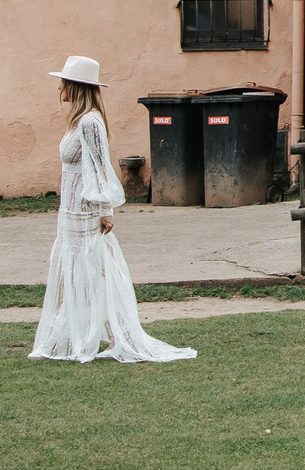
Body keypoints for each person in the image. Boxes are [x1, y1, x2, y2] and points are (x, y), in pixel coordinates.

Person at [29, 55, 197, 365]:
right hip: (70, 210)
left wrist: (105, 209)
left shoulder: (90, 122)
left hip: (86, 211)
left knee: (96, 271)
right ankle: (71, 334)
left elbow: (100, 167)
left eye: (64, 83)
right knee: (72, 270)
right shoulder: (78, 122)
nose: (60, 88)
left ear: (77, 87)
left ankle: (109, 335)